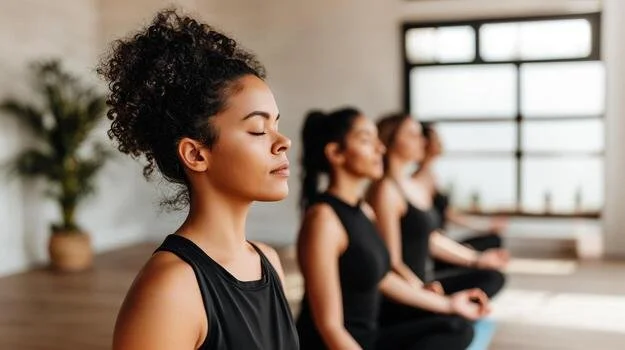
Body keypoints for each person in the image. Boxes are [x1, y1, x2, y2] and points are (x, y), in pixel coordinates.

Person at [98, 10, 298, 349]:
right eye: (258, 129)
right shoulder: (171, 288)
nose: (283, 142)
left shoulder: (269, 262)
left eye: (276, 125)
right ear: (196, 154)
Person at [296, 108, 489, 350]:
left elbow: (384, 278)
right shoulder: (323, 219)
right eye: (366, 140)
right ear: (336, 153)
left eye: (378, 140)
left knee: (456, 327)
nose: (380, 148)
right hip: (339, 344)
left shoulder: (363, 210)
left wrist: (449, 304)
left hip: (371, 335)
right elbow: (329, 326)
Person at [367, 114, 507, 328]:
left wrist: (477, 259)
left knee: (492, 277)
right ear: (391, 141)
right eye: (412, 135)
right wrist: (422, 289)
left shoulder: (410, 186)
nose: (422, 141)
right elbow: (392, 262)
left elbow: (432, 239)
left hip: (425, 279)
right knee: (457, 328)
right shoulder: (386, 190)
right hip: (405, 291)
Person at [418, 122, 507, 255]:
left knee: (493, 239)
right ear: (424, 143)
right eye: (436, 138)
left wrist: (486, 226)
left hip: (442, 241)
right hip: (435, 248)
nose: (441, 142)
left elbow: (449, 214)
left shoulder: (432, 176)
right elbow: (442, 222)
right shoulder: (420, 179)